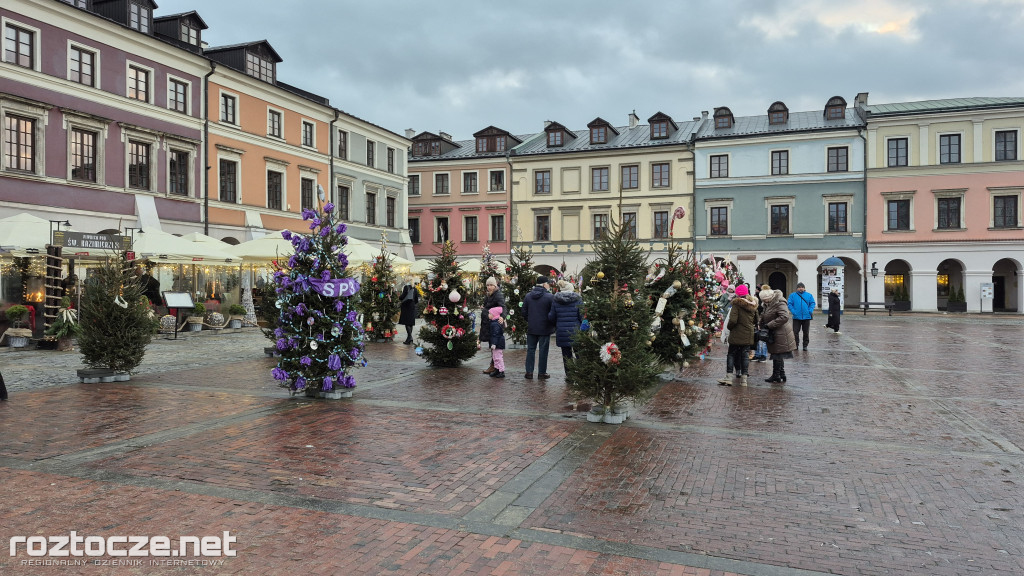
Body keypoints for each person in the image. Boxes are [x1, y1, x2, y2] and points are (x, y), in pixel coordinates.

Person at [718, 284, 758, 386]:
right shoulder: (753, 304)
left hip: (736, 333)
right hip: (748, 333)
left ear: (737, 294)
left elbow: (732, 320)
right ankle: (744, 379)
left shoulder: (736, 304)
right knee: (745, 355)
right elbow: (756, 320)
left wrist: (730, 328)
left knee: (731, 354)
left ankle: (729, 377)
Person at [760, 288, 797, 383]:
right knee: (778, 353)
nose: (764, 301)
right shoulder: (767, 304)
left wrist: (769, 325)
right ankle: (781, 374)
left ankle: (776, 375)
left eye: (765, 299)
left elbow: (784, 317)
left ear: (770, 297)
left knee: (777, 354)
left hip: (781, 332)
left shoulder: (779, 303)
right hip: (775, 331)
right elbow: (764, 315)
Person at [522, 275, 555, 380]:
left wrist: (530, 320)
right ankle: (541, 373)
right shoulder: (550, 297)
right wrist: (550, 323)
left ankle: (529, 372)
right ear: (545, 284)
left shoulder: (528, 296)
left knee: (530, 350)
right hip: (545, 328)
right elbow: (553, 313)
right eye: (548, 283)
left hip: (532, 327)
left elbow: (524, 312)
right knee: (543, 351)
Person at [548, 280, 582, 377]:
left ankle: (570, 376)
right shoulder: (578, 299)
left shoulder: (556, 300)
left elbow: (551, 316)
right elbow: (582, 315)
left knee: (566, 356)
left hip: (562, 331)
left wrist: (557, 324)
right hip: (576, 331)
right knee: (579, 354)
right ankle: (581, 376)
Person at [480, 277, 506, 375]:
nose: (489, 287)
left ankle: (497, 368)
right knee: (492, 346)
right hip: (488, 323)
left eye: (491, 285)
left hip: (494, 323)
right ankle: (495, 367)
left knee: (495, 346)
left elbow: (503, 307)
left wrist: (502, 317)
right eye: (488, 285)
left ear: (495, 286)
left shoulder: (498, 295)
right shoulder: (488, 295)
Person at [787, 282, 815, 351]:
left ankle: (805, 345)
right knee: (795, 332)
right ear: (797, 288)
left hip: (806, 317)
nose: (801, 288)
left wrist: (810, 310)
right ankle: (796, 345)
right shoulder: (792, 295)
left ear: (804, 288)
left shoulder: (809, 295)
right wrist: (793, 311)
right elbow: (789, 304)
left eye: (802, 287)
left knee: (806, 332)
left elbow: (812, 303)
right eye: (799, 287)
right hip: (796, 317)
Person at [487, 306, 506, 378]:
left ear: (493, 315)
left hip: (498, 343)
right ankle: (497, 369)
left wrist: (494, 343)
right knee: (495, 357)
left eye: (490, 313)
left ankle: (501, 370)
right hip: (496, 343)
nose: (488, 315)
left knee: (498, 357)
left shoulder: (495, 324)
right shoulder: (493, 322)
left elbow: (495, 334)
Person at [752, 284, 769, 362]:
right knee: (757, 338)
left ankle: (763, 355)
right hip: (758, 321)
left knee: (763, 339)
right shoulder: (756, 298)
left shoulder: (766, 303)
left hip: (764, 322)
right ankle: (757, 354)